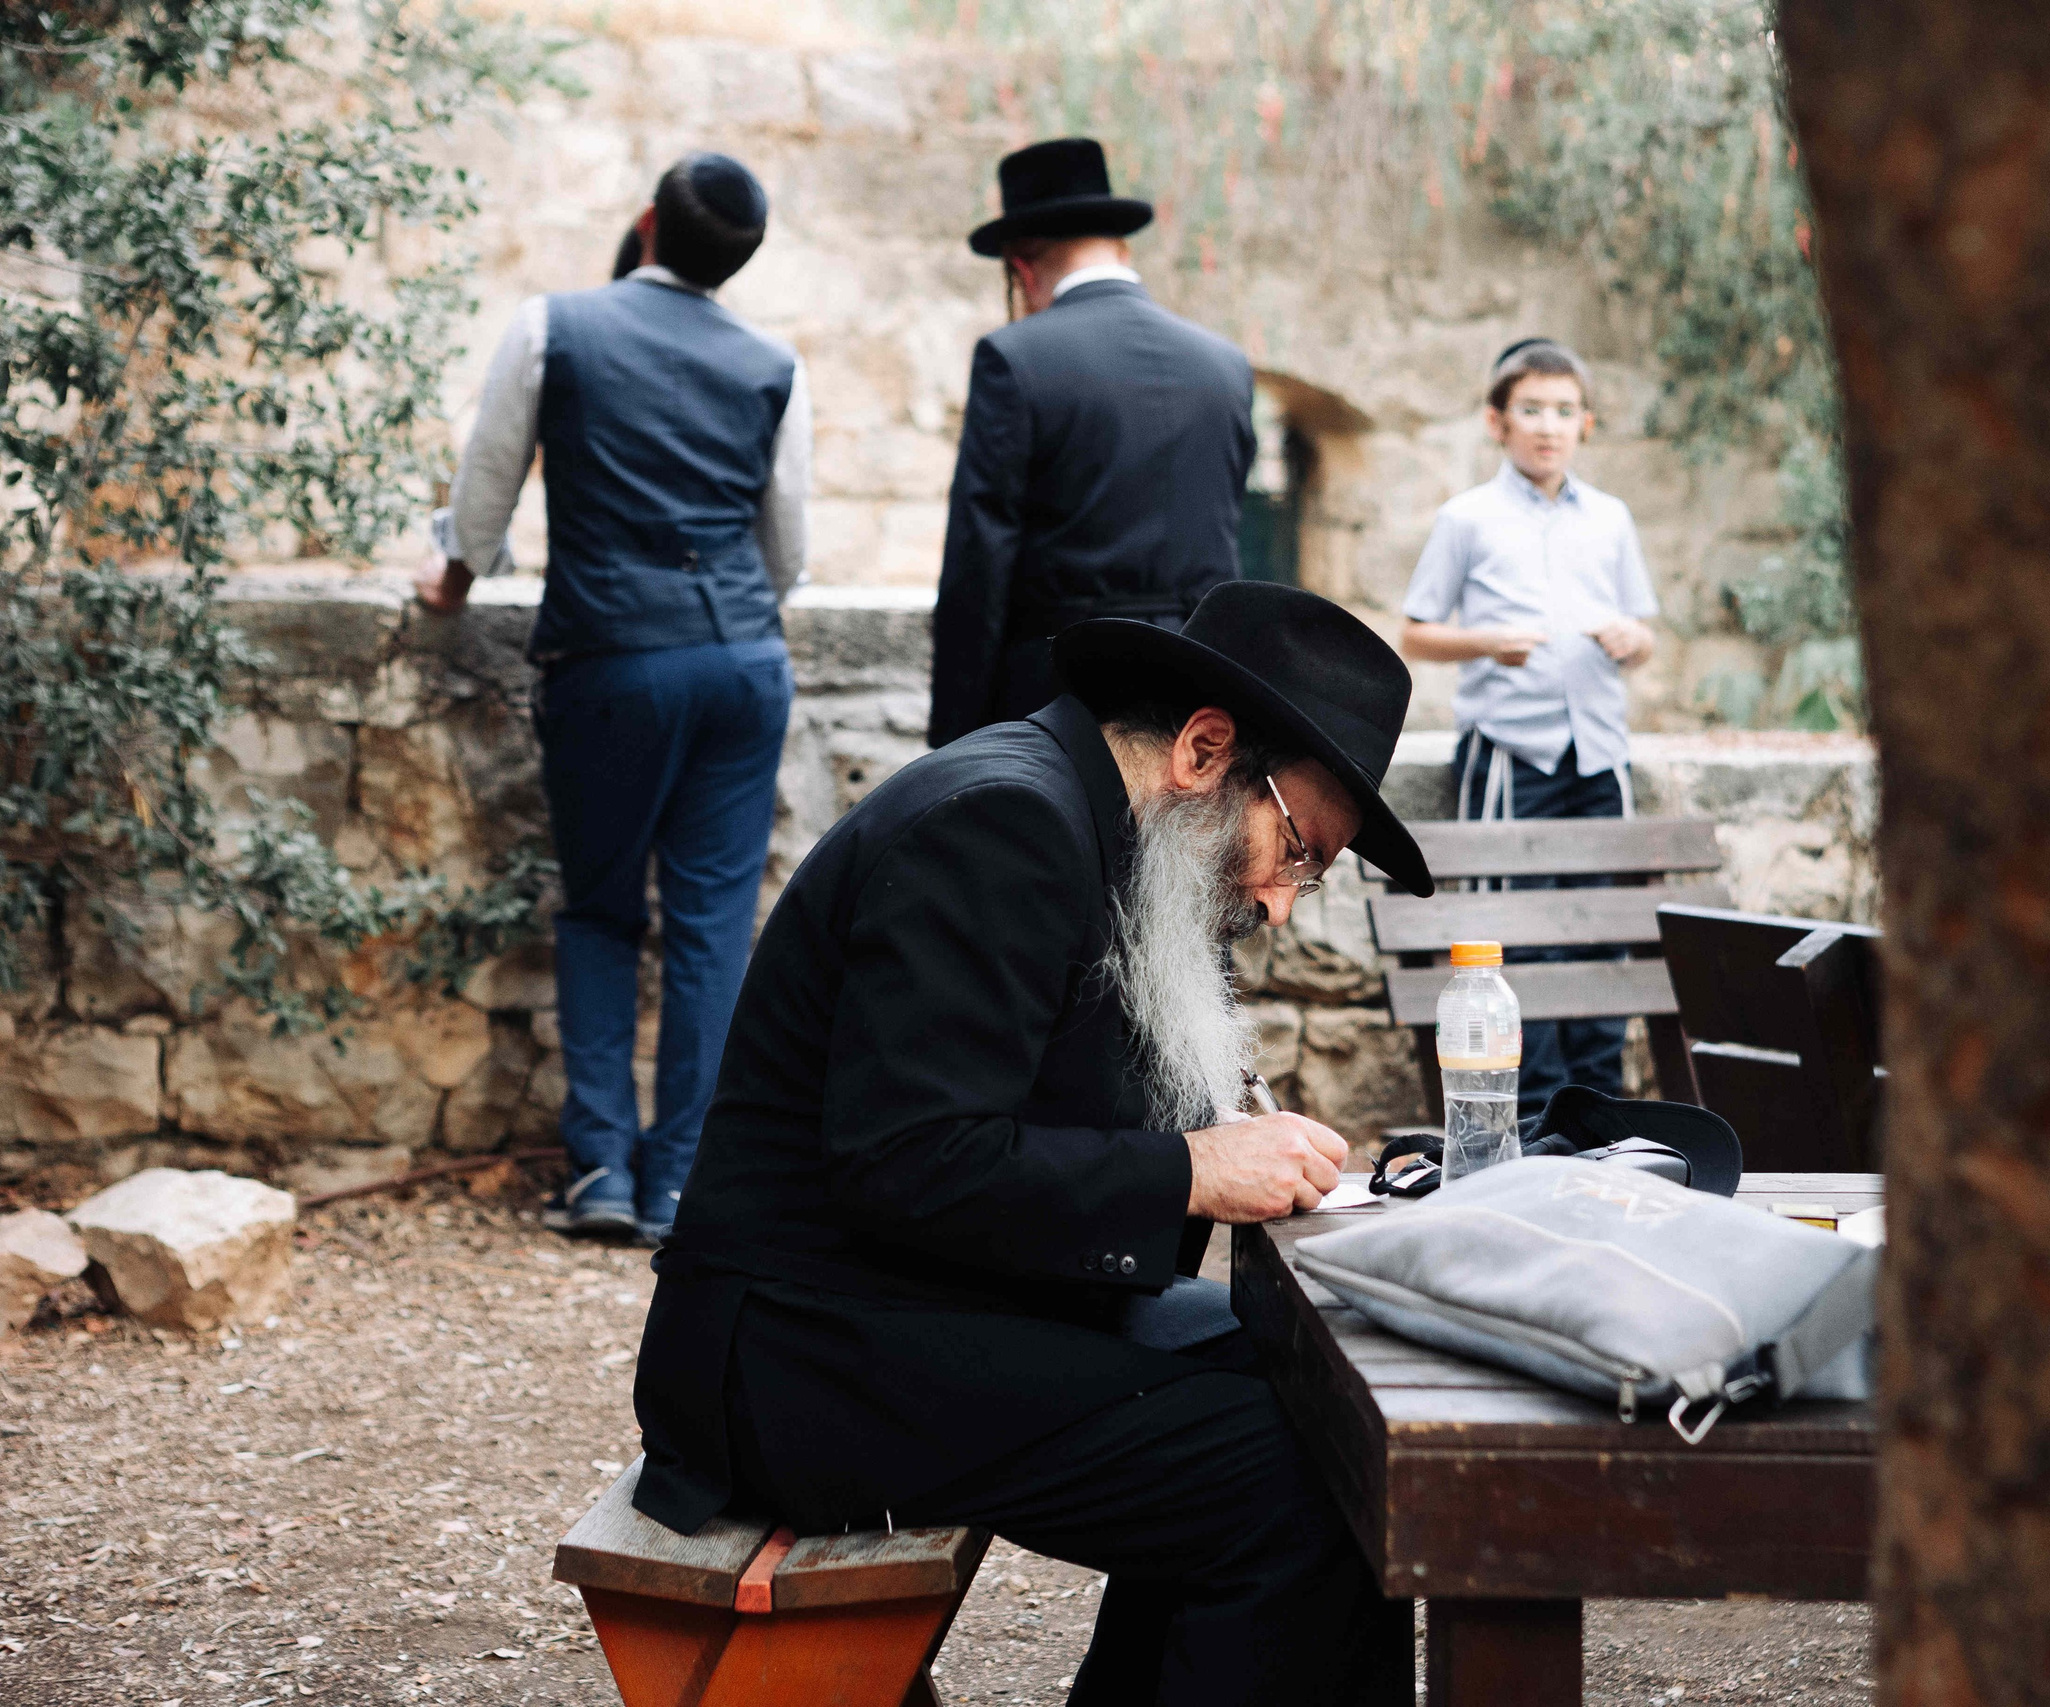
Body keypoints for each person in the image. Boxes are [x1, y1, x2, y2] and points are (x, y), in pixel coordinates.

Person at [630, 581, 1433, 1707]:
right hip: (805, 1353)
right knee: (1291, 1484)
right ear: (1205, 750)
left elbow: (1033, 1110)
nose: (1281, 903)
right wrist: (1196, 1168)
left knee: (1317, 1390)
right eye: (1297, 852)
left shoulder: (1099, 826)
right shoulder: (1000, 823)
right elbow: (907, 1162)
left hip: (914, 1305)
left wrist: (1219, 1142)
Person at [414, 153, 813, 1246]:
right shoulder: (775, 363)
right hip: (742, 664)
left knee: (599, 909)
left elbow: (486, 491)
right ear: (740, 258)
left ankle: (599, 1173)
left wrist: (450, 582)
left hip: (611, 661)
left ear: (646, 224)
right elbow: (790, 554)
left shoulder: (556, 328)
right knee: (712, 930)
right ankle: (680, 1182)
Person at [1399, 337, 1660, 1123]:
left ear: (1586, 423)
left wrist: (1632, 640)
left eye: (1564, 411)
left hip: (1599, 758)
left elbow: (1644, 632)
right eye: (1531, 410)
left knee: (1603, 938)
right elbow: (1415, 632)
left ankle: (1599, 1109)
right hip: (1511, 757)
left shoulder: (1611, 520)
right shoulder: (1466, 518)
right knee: (1515, 940)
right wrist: (1488, 642)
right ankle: (1536, 1114)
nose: (1549, 427)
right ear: (1497, 421)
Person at [927, 136, 1256, 748]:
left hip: (1056, 697)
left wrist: (955, 733)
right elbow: (1221, 531)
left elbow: (981, 556)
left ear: (1022, 269)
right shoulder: (1226, 365)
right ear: (1119, 247)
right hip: (1194, 694)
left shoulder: (1015, 358)